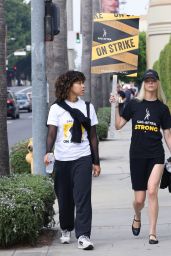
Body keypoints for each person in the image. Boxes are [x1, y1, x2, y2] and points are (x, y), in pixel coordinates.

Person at [109, 69, 171, 244]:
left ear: (157, 83)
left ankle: (152, 233)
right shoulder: (134, 104)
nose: (150, 83)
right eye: (147, 80)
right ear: (144, 83)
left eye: (153, 80)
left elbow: (167, 135)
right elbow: (119, 125)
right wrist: (115, 106)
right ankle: (137, 215)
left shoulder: (162, 108)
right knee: (139, 200)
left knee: (152, 191)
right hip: (137, 155)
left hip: (156, 155)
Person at [44, 70, 101, 250]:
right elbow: (52, 133)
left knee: (83, 198)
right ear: (69, 86)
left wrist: (96, 161)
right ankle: (66, 228)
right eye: (79, 83)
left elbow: (93, 137)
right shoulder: (56, 108)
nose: (83, 86)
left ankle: (83, 235)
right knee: (65, 197)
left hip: (82, 158)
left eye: (83, 83)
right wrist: (48, 152)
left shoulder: (87, 107)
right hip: (62, 159)